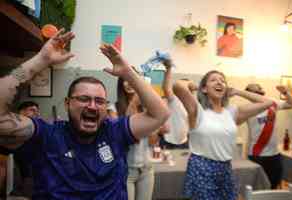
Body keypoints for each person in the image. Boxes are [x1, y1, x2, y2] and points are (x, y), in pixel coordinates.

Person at [0, 29, 170, 200]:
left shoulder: (115, 132)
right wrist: (40, 60)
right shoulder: (47, 134)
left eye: (99, 101)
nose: (92, 106)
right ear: (67, 103)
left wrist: (129, 73)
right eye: (83, 99)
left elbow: (160, 114)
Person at [173, 70, 273, 200]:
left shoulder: (232, 111)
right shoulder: (197, 109)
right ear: (204, 88)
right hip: (201, 168)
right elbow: (178, 86)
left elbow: (267, 102)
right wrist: (200, 87)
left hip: (225, 168)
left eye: (222, 80)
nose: (219, 82)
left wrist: (237, 91)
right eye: (213, 80)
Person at [116, 73, 169, 200]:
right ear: (121, 84)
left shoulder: (147, 111)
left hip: (146, 169)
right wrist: (135, 99)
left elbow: (152, 141)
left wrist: (157, 128)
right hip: (126, 171)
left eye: (133, 80)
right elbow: (127, 136)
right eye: (126, 80)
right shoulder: (114, 108)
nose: (129, 83)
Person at [245, 83, 292, 189]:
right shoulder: (248, 109)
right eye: (256, 90)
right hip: (257, 155)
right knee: (258, 188)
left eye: (260, 88)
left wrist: (285, 93)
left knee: (273, 186)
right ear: (249, 94)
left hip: (274, 154)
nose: (260, 90)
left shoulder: (272, 103)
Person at [160, 59, 197, 149]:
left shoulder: (192, 105)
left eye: (190, 91)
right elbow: (166, 88)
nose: (188, 92)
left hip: (184, 143)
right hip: (168, 143)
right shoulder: (174, 100)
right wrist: (168, 68)